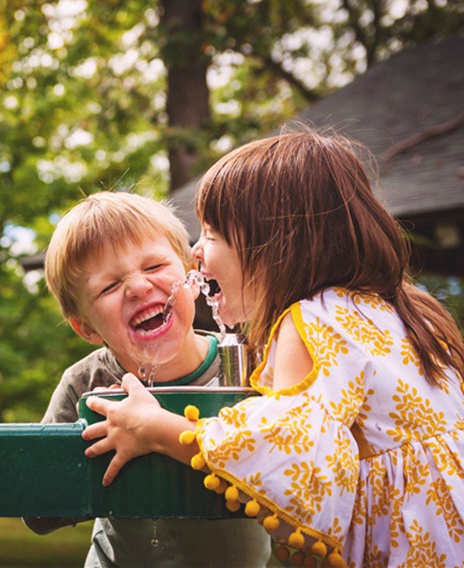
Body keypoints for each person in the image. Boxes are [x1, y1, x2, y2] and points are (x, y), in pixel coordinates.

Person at [81, 130, 464, 567]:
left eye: (211, 234)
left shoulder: (311, 321)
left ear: (271, 246)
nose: (195, 252)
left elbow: (286, 450)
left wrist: (156, 428)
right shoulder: (406, 309)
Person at [23, 191, 272, 567]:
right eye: (108, 287)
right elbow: (38, 512)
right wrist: (89, 448)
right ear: (87, 327)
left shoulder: (251, 363)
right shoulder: (87, 386)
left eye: (154, 266)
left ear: (192, 275)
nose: (138, 287)